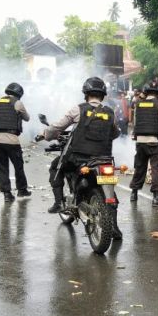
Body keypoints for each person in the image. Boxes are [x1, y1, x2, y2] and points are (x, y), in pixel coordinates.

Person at [43, 77, 123, 239]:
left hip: (78, 159)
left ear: (86, 94)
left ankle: (59, 202)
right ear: (103, 95)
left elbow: (57, 127)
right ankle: (114, 227)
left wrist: (46, 134)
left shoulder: (78, 109)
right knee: (110, 191)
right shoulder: (109, 112)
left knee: (55, 166)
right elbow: (115, 133)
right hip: (103, 159)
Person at [0, 83, 32, 203]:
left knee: (1, 168)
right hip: (11, 140)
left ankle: (7, 194)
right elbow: (27, 118)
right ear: (19, 93)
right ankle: (22, 190)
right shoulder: (17, 103)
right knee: (18, 166)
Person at [130, 84, 158, 206]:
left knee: (139, 167)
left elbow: (136, 122)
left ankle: (134, 193)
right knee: (155, 169)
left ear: (147, 93)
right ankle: (156, 197)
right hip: (153, 141)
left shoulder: (138, 103)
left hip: (140, 142)